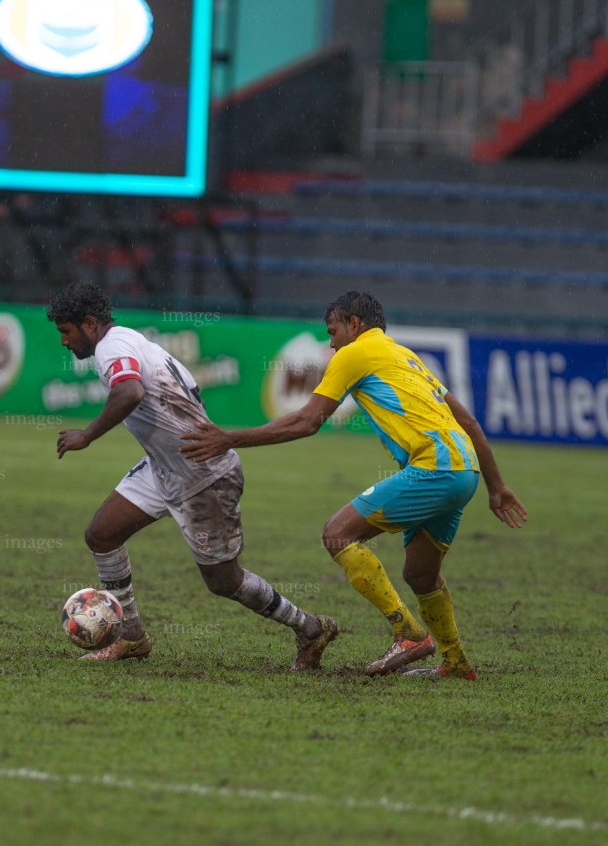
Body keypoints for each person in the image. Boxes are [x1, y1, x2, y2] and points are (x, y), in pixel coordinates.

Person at [181, 290, 526, 678]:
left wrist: (230, 438)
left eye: (333, 331)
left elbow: (306, 421)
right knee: (420, 574)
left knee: (337, 533)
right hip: (465, 473)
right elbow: (470, 423)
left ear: (354, 324)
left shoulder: (354, 353)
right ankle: (456, 663)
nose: (330, 343)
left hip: (435, 468)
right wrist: (497, 486)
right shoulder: (406, 356)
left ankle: (407, 632)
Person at [48, 282, 339, 665]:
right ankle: (133, 638)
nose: (65, 342)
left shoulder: (111, 348)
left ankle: (310, 628)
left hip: (204, 476)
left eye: (66, 332)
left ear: (89, 324)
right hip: (165, 468)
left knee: (223, 581)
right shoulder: (130, 340)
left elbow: (129, 392)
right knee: (101, 534)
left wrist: (87, 434)